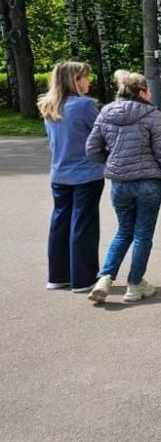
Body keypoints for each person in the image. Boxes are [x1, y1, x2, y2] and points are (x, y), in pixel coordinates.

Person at [85, 70, 161, 304]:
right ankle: (134, 284)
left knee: (123, 232)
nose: (150, 93)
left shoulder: (105, 112)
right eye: (148, 90)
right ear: (141, 92)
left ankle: (105, 278)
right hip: (149, 183)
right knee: (142, 235)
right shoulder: (153, 115)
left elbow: (91, 149)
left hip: (120, 183)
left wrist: (113, 162)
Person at [38, 61, 106, 293]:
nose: (89, 81)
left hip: (59, 173)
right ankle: (83, 278)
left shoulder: (50, 105)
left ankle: (58, 275)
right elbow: (102, 134)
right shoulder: (85, 105)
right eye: (85, 77)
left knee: (60, 224)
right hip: (86, 173)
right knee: (84, 225)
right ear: (75, 80)